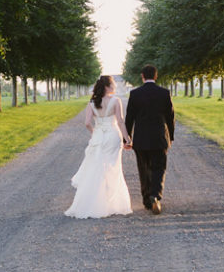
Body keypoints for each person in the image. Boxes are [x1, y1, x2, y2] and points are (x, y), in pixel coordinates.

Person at [64, 75, 134, 219]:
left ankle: (94, 202)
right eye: (113, 85)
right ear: (108, 87)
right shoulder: (115, 101)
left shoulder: (92, 102)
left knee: (97, 167)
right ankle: (112, 202)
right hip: (113, 136)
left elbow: (87, 123)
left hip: (99, 137)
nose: (114, 87)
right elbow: (120, 122)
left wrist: (95, 133)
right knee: (113, 168)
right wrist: (127, 139)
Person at [123, 63, 174, 214]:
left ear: (142, 76)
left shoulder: (135, 94)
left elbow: (129, 118)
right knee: (159, 167)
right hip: (159, 137)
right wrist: (170, 135)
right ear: (156, 76)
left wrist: (127, 138)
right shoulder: (164, 93)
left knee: (143, 168)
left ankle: (146, 200)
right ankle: (155, 195)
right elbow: (170, 116)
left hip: (141, 139)